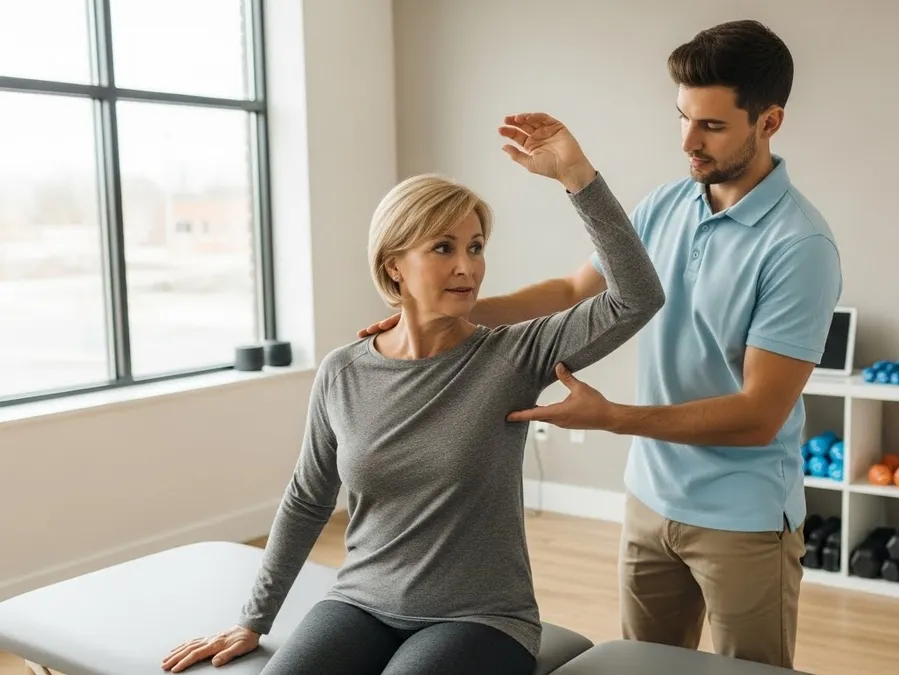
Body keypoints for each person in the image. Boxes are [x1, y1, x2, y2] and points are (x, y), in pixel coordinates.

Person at [360, 19, 842, 669]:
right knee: (642, 665)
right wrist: (435, 314)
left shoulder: (799, 246)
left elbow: (760, 416)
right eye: (682, 118)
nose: (689, 143)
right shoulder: (665, 204)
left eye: (712, 126)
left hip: (744, 515)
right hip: (649, 498)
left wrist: (610, 418)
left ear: (769, 121)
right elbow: (570, 288)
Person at [159, 113, 664, 675]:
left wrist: (578, 178)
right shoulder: (343, 372)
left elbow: (636, 296)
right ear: (394, 265)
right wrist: (253, 621)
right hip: (361, 602)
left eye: (475, 247)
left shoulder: (513, 356)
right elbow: (307, 499)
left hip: (481, 617)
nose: (468, 267)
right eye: (443, 248)